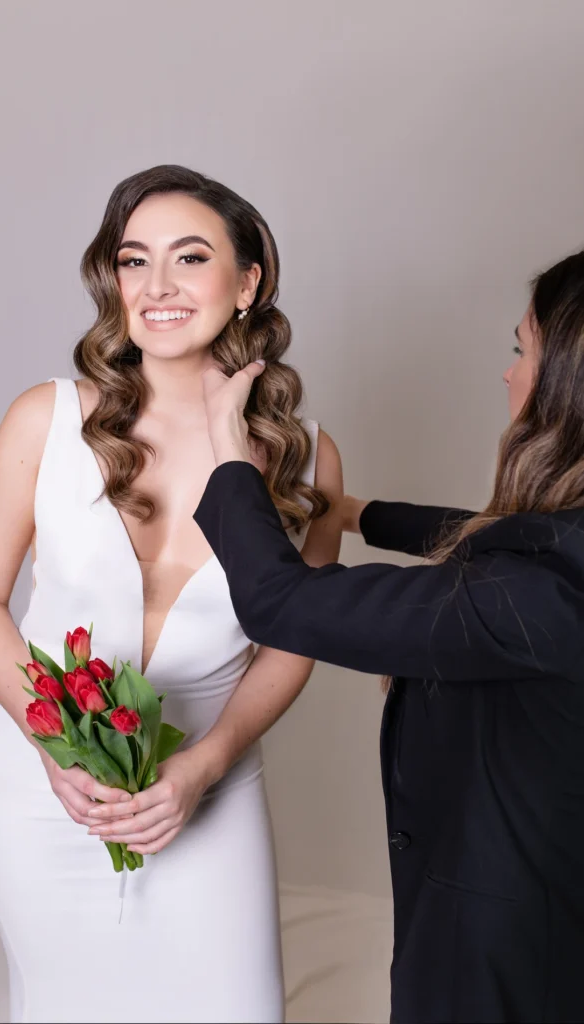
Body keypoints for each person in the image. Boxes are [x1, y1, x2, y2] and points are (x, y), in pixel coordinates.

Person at [0, 165, 344, 1024]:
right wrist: (54, 744)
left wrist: (205, 764)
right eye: (133, 261)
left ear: (246, 284)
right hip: (40, 777)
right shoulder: (43, 419)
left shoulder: (305, 453)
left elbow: (295, 639)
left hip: (211, 773)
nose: (156, 287)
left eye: (189, 258)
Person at [193, 250, 584, 1024]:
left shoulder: (530, 600)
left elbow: (279, 603)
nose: (507, 375)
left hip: (500, 947)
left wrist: (225, 457)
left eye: (520, 350)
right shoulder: (557, 555)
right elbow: (512, 539)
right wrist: (355, 512)